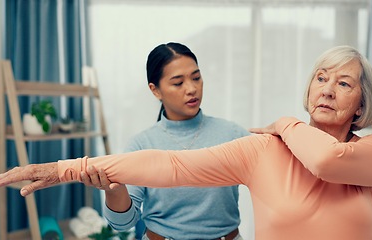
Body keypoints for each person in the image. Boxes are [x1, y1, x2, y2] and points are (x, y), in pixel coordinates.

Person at [0, 45, 372, 240]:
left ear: (361, 101)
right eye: (321, 78)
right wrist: (66, 168)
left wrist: (287, 122)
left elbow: (328, 161)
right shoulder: (262, 149)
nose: (328, 90)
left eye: (343, 83)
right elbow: (172, 166)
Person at [85, 42, 250, 240]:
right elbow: (123, 223)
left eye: (196, 78)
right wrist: (114, 191)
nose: (192, 89)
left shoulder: (233, 134)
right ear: (155, 90)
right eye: (178, 83)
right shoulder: (141, 145)